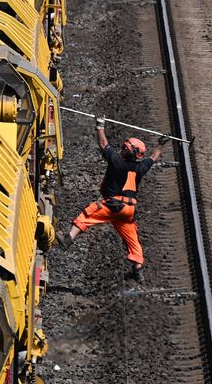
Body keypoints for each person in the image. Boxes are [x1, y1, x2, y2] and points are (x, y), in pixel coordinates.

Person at [63, 118, 165, 282]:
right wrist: (161, 143)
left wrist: (100, 126)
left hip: (115, 204)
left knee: (89, 213)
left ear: (130, 152)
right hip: (129, 210)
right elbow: (154, 157)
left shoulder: (117, 162)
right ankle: (137, 270)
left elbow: (104, 144)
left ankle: (68, 238)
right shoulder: (140, 168)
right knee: (132, 237)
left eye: (125, 148)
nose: (121, 149)